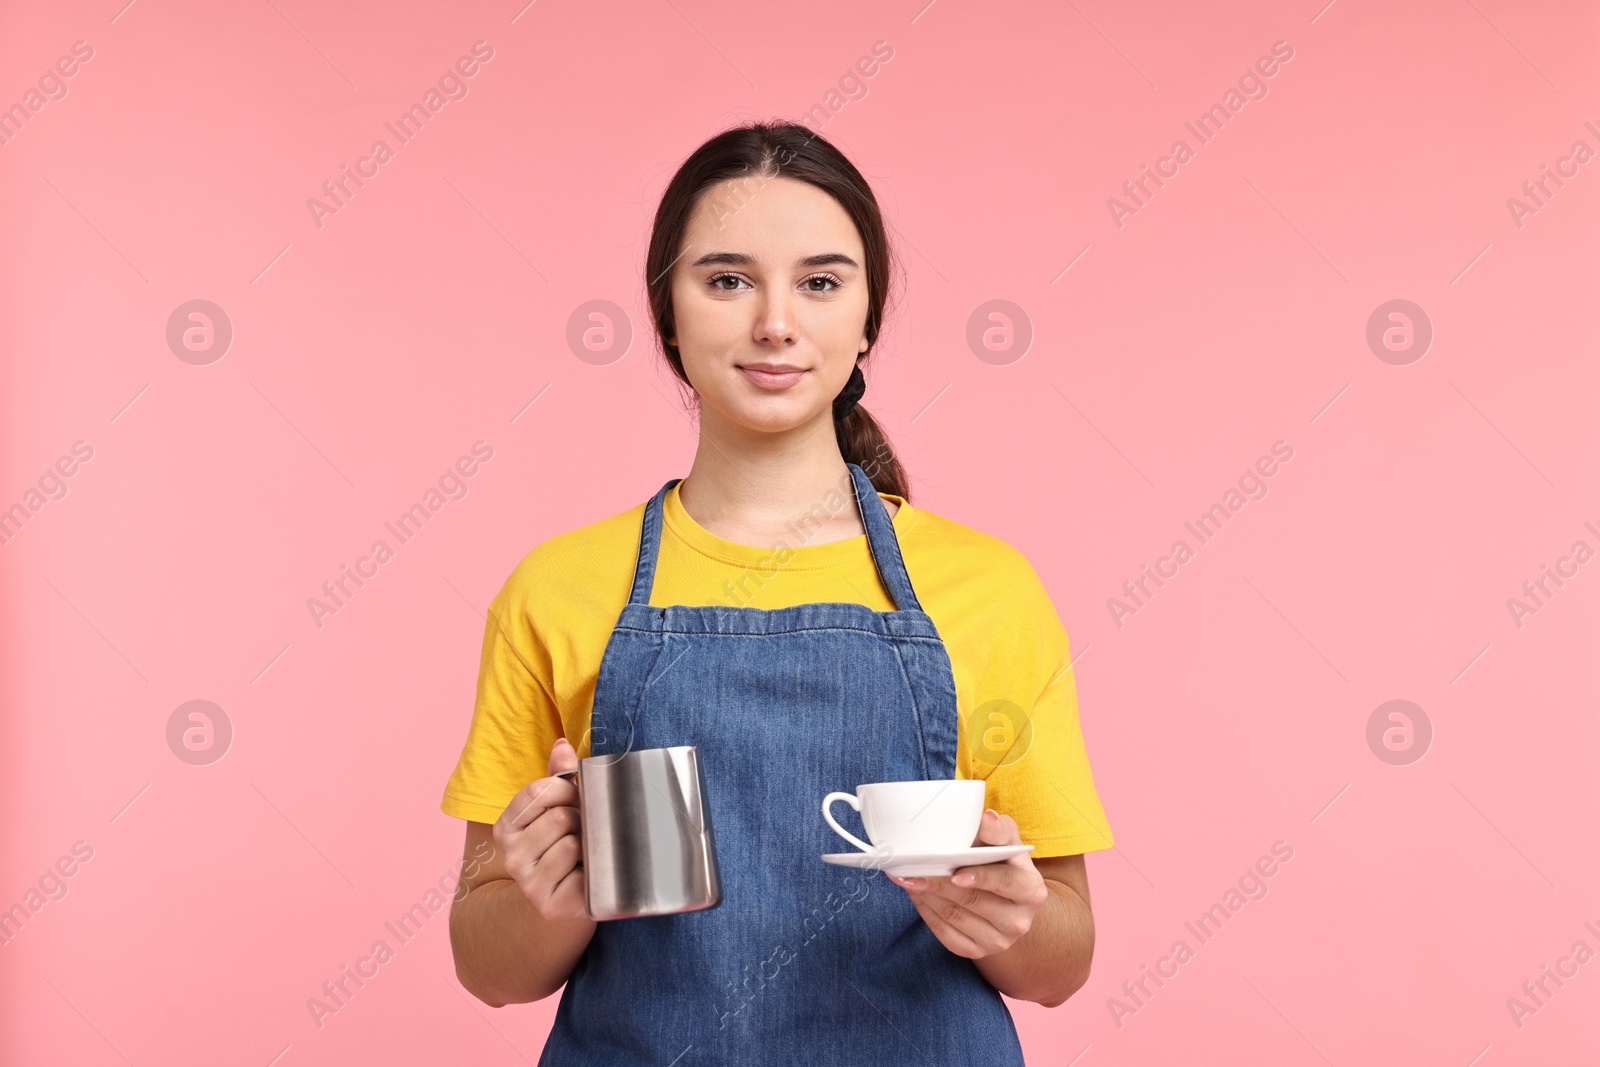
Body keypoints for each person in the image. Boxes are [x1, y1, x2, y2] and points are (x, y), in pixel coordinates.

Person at [442, 121, 1114, 1065]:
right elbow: (488, 965)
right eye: (726, 279)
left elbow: (1062, 965)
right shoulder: (556, 588)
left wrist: (1006, 914)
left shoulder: (988, 588)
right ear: (666, 311)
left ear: (868, 317)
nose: (775, 323)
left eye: (821, 282)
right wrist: (557, 895)